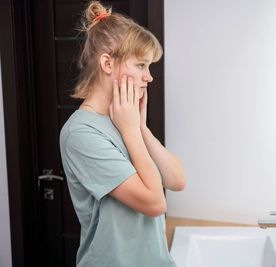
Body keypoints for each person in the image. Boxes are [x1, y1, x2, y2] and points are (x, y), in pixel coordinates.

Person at [59, 1, 186, 266]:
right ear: (107, 63)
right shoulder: (81, 133)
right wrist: (130, 131)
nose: (149, 77)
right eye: (141, 65)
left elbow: (177, 181)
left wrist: (141, 128)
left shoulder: (126, 121)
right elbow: (155, 203)